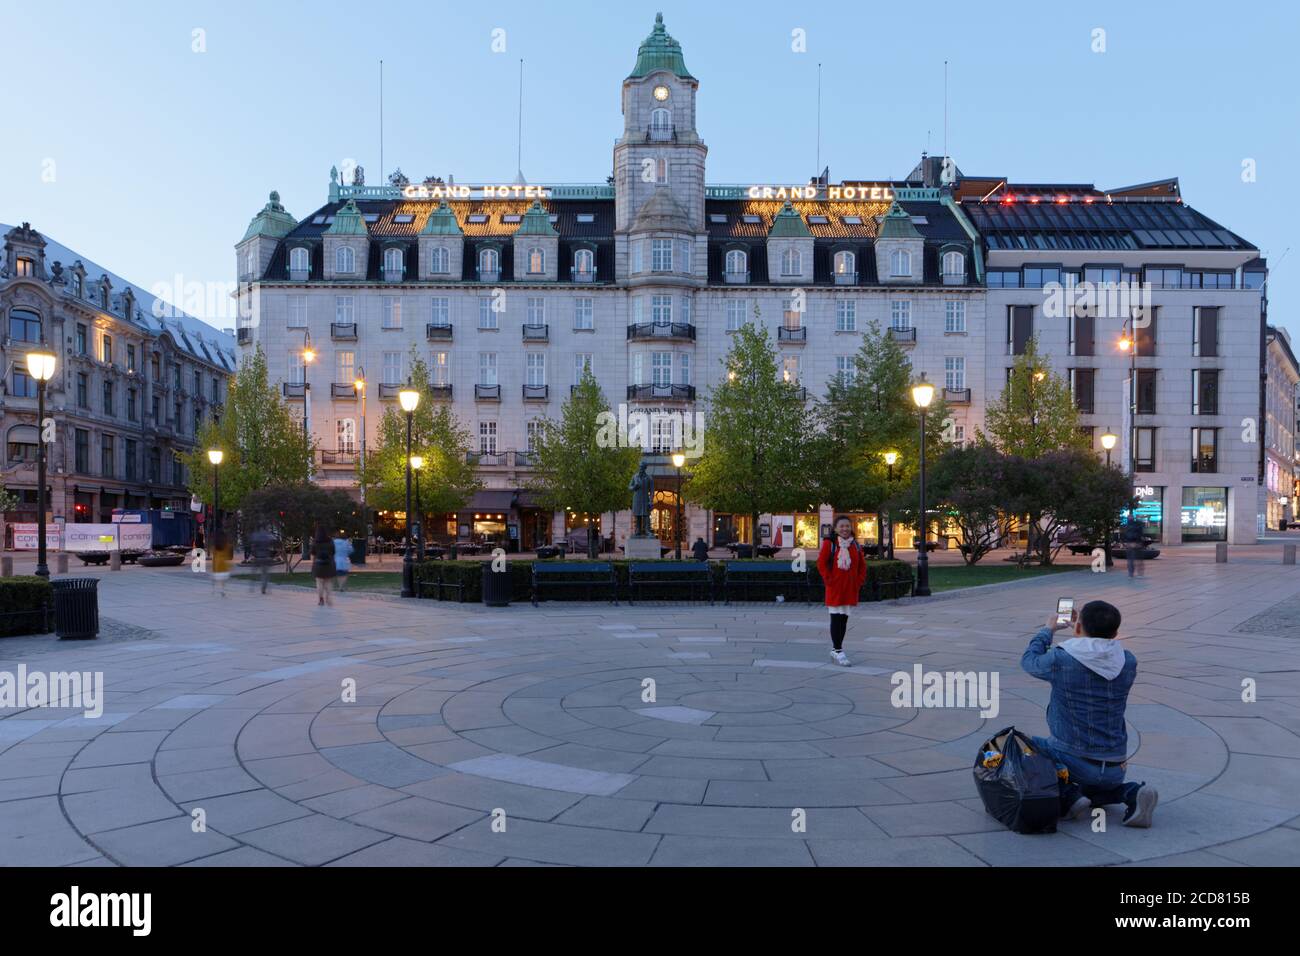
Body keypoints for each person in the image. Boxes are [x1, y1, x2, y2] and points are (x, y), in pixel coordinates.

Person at [1021, 599, 1158, 828]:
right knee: (1098, 790)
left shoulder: (1061, 659)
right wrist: (1085, 629)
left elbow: (1029, 661)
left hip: (1073, 762)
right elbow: (1096, 652)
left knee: (1021, 745)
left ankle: (1068, 795)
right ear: (1115, 633)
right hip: (1115, 766)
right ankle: (1132, 792)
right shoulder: (1128, 661)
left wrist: (1049, 629)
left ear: (1076, 628)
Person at [817, 515, 867, 667]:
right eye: (842, 526)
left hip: (850, 588)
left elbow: (862, 567)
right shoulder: (829, 543)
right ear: (836, 528)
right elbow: (821, 563)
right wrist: (829, 580)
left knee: (844, 619)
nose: (845, 529)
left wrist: (858, 582)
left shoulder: (855, 545)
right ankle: (838, 650)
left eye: (847, 526)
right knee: (835, 618)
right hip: (835, 587)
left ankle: (836, 649)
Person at [311, 524, 335, 606]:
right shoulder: (330, 541)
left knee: (319, 582)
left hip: (318, 564)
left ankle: (321, 599)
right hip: (328, 564)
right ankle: (328, 597)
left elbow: (313, 554)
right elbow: (333, 552)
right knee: (328, 581)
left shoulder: (315, 542)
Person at [249, 526, 274, 594]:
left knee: (254, 572)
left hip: (258, 557)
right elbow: (271, 546)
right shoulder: (267, 536)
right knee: (265, 574)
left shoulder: (256, 536)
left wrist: (253, 555)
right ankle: (264, 587)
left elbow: (253, 547)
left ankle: (252, 586)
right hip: (266, 557)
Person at [211, 530, 232, 597]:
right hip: (224, 565)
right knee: (223, 580)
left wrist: (213, 566)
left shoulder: (215, 546)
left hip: (217, 563)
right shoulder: (227, 545)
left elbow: (214, 556)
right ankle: (223, 590)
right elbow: (229, 556)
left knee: (215, 578)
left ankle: (213, 589)